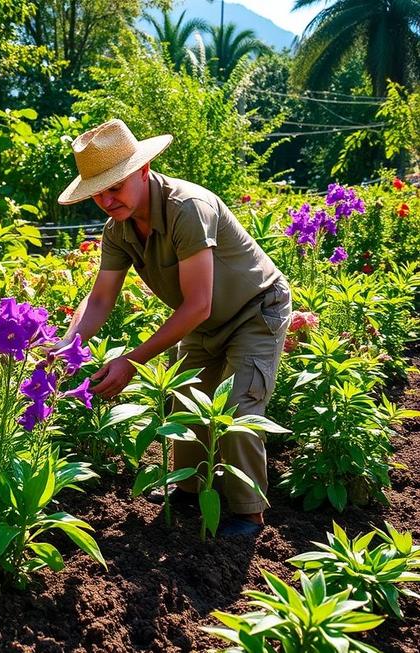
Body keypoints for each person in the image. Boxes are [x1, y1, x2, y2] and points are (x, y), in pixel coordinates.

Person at [55, 119, 291, 538]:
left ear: (143, 170)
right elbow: (100, 299)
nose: (108, 200)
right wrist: (64, 346)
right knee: (185, 400)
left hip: (256, 310)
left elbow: (197, 304)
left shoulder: (188, 208)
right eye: (98, 193)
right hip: (205, 321)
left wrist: (131, 361)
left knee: (238, 409)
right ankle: (188, 489)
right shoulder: (119, 230)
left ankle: (247, 515)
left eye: (116, 186)